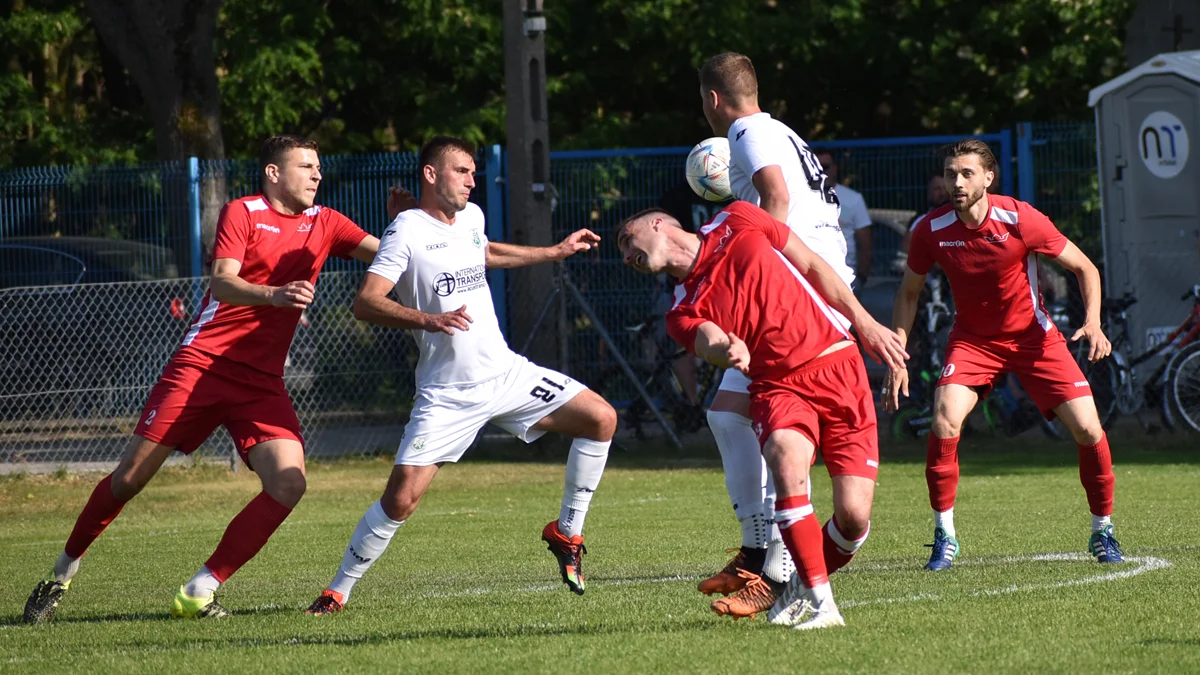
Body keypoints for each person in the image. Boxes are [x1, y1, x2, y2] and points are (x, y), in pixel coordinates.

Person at [22, 135, 416, 623]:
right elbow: (222, 281)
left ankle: (199, 590)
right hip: (203, 365)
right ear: (273, 173)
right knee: (128, 479)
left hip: (261, 383)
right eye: (306, 166)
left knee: (288, 484)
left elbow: (395, 262)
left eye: (319, 167)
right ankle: (59, 575)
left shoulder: (327, 222)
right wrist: (274, 295)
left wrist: (403, 225)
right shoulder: (243, 212)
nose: (317, 174)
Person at [305, 136, 617, 615]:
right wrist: (430, 319)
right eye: (461, 171)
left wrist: (554, 252)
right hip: (447, 395)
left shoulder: (471, 218)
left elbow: (483, 251)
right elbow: (366, 302)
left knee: (601, 418)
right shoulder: (404, 230)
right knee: (401, 500)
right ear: (431, 175)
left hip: (506, 374)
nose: (472, 181)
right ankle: (337, 590)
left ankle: (567, 532)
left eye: (473, 172)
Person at [616, 203, 907, 630]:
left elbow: (811, 264)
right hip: (777, 385)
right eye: (624, 254)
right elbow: (708, 338)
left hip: (838, 365)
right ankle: (824, 605)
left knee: (853, 517)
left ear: (657, 223)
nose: (627, 256)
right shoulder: (680, 311)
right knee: (783, 455)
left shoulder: (738, 217)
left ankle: (794, 587)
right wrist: (725, 351)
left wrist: (866, 324)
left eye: (627, 240)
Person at [884, 139, 1124, 571]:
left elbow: (1085, 267)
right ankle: (944, 536)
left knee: (1089, 429)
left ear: (988, 178)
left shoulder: (1020, 218)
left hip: (1035, 339)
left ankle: (1103, 530)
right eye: (950, 173)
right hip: (974, 341)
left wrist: (1094, 322)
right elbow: (908, 293)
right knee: (943, 419)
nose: (956, 182)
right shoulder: (931, 229)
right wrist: (898, 354)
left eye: (966, 173)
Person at [695, 51, 862, 620]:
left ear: (712, 100)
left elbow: (778, 199)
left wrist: (755, 268)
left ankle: (772, 565)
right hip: (819, 278)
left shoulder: (745, 129)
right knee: (733, 413)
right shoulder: (781, 129)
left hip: (803, 288)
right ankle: (761, 554)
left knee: (758, 417)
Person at [653, 180, 733, 409]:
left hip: (725, 285)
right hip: (686, 286)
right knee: (685, 348)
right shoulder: (677, 198)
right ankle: (693, 406)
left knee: (730, 345)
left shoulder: (735, 200)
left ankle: (717, 400)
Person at [815, 150, 873, 290]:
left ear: (835, 168)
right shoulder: (802, 197)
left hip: (846, 276)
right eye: (816, 166)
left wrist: (861, 276)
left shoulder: (853, 199)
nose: (821, 171)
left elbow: (865, 242)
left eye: (826, 167)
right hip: (813, 274)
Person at [902, 173, 951, 256]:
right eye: (937, 189)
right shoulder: (922, 220)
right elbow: (906, 248)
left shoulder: (964, 216)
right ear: (929, 194)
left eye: (945, 188)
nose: (943, 193)